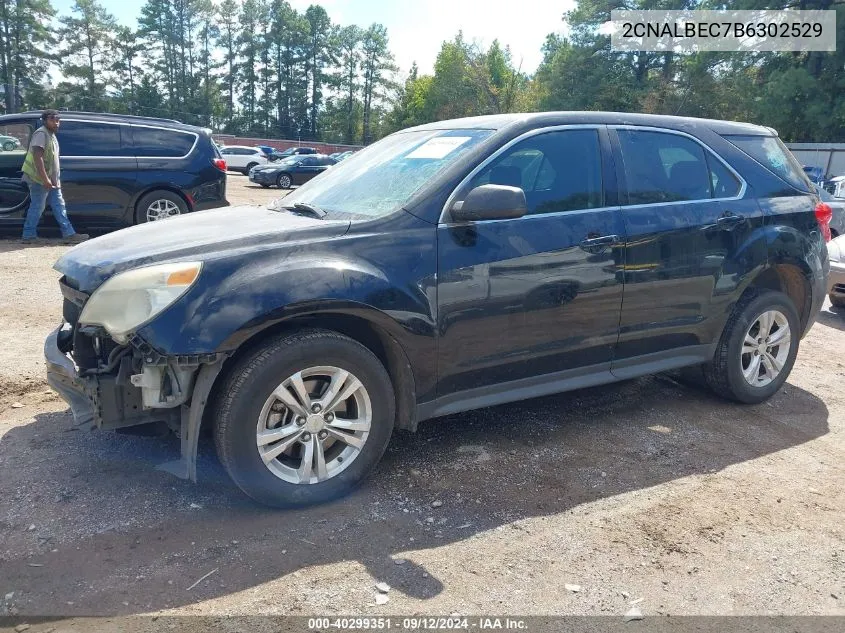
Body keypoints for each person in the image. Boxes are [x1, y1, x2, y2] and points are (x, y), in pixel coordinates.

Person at [21, 109, 88, 244]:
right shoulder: (41, 134)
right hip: (38, 179)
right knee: (37, 206)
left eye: (58, 120)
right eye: (52, 119)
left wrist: (53, 179)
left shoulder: (51, 135)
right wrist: (45, 179)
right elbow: (37, 158)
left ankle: (69, 234)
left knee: (59, 206)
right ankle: (28, 236)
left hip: (51, 180)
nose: (56, 123)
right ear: (44, 120)